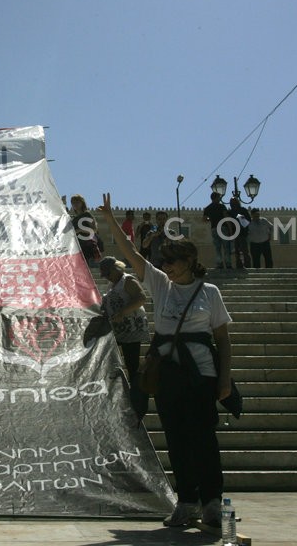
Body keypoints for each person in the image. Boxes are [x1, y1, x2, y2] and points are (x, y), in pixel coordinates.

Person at [98, 193, 233, 529]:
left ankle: (212, 502)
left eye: (172, 261)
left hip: (202, 374)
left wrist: (225, 379)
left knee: (203, 438)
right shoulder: (160, 285)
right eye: (165, 261)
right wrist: (112, 219)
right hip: (168, 374)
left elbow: (223, 340)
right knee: (176, 439)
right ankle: (187, 502)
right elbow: (131, 254)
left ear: (189, 260)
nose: (167, 266)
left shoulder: (209, 292)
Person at [97, 256, 150, 421]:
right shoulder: (112, 284)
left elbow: (141, 298)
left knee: (132, 364)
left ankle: (136, 401)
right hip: (119, 330)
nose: (106, 277)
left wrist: (123, 312)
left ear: (115, 269)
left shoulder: (128, 280)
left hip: (132, 327)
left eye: (107, 273)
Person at [203, 192, 233, 269]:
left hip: (214, 229)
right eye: (219, 197)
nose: (220, 198)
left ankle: (219, 264)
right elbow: (226, 217)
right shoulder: (222, 206)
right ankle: (228, 264)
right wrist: (230, 229)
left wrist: (211, 218)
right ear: (216, 197)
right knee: (226, 247)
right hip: (223, 228)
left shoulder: (207, 208)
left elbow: (204, 219)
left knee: (217, 248)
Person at [68, 194, 100, 263]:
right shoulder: (73, 219)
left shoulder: (87, 214)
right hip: (77, 247)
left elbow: (94, 230)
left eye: (77, 202)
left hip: (88, 247)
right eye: (73, 203)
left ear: (82, 203)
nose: (75, 204)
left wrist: (78, 230)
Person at [228, 197, 251, 268]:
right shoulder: (230, 212)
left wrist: (240, 217)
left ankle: (247, 265)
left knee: (244, 250)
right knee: (237, 251)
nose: (232, 203)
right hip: (235, 234)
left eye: (233, 202)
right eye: (231, 202)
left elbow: (248, 221)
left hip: (242, 233)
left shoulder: (242, 210)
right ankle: (239, 265)